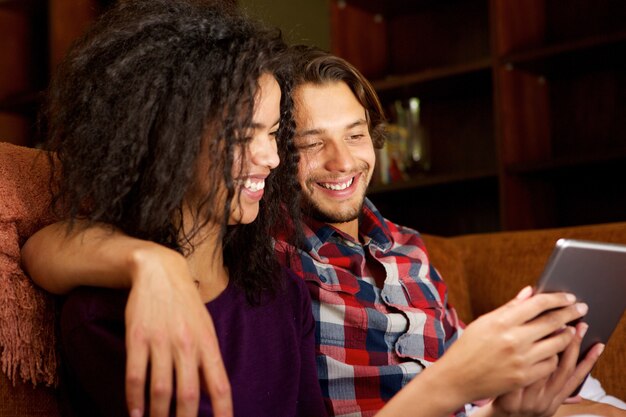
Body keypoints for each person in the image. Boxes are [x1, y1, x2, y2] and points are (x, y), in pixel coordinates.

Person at [22, 43, 619, 417]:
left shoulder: (396, 252)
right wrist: (152, 263)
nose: (341, 161)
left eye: (356, 134)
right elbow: (45, 244)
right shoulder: (276, 250)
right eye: (306, 144)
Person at [28, 1, 328, 416]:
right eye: (242, 136)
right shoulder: (104, 315)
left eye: (274, 133)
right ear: (170, 139)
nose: (272, 158)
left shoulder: (283, 295)